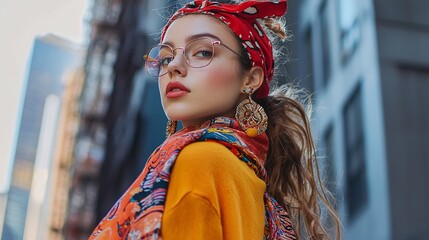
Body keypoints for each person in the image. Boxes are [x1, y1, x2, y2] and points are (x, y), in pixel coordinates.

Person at [89, 0, 341, 239]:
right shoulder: (244, 174)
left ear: (251, 79)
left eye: (202, 52)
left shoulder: (199, 162)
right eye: (166, 57)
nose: (174, 66)